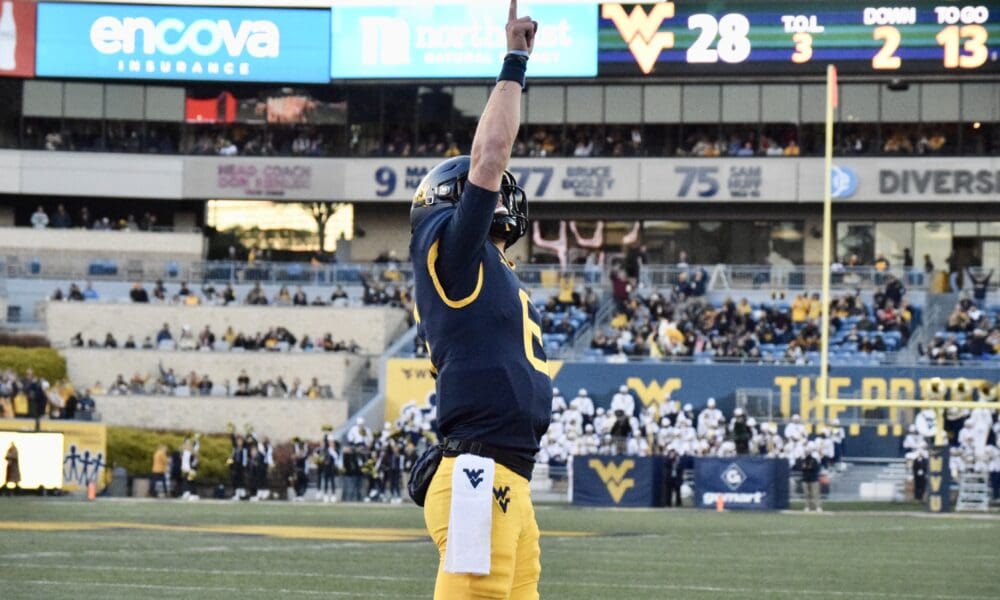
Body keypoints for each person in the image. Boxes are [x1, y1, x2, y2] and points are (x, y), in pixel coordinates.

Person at [410, 5, 548, 596]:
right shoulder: (451, 248)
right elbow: (490, 157)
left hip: (508, 476)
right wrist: (514, 60)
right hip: (478, 475)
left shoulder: (491, 269)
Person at [801, 443, 822, 512]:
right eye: (806, 452)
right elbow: (802, 468)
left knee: (815, 494)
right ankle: (807, 507)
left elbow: (814, 468)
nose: (807, 453)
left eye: (808, 452)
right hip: (805, 479)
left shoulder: (814, 460)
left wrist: (807, 467)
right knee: (807, 494)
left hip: (813, 479)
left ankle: (817, 507)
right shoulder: (803, 460)